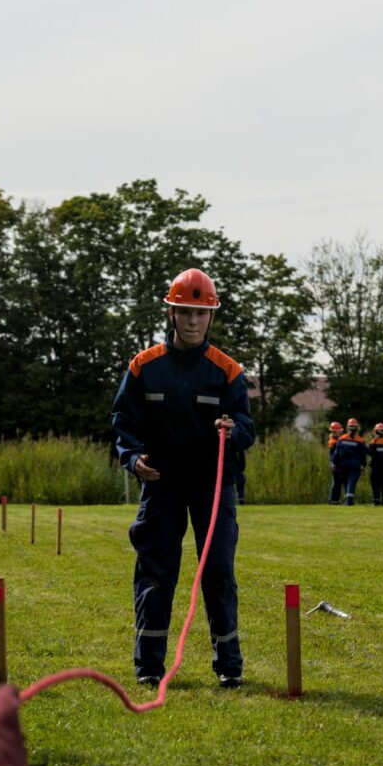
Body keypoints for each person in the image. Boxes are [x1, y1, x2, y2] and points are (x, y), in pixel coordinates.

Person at [111, 267, 256, 689]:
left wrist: (233, 430)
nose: (193, 321)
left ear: (211, 317)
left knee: (218, 575)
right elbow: (123, 422)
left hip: (212, 488)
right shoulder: (143, 367)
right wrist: (132, 458)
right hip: (160, 485)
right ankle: (149, 666)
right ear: (171, 314)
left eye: (200, 313)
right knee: (155, 574)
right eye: (184, 312)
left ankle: (229, 665)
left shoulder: (227, 371)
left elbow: (248, 428)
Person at [333, 418, 367, 505]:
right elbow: (363, 455)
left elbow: (336, 453)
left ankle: (347, 499)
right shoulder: (360, 440)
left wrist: (334, 463)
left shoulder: (341, 439)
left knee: (345, 482)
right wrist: (363, 465)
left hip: (343, 465)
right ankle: (349, 501)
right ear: (357, 428)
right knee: (351, 482)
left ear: (347, 428)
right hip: (355, 465)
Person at [326, 420, 344, 504]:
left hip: (337, 463)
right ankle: (333, 500)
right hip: (335, 463)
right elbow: (333, 455)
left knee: (337, 482)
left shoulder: (336, 439)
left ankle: (333, 499)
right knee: (336, 482)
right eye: (338, 430)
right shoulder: (333, 441)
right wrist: (333, 463)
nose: (340, 432)